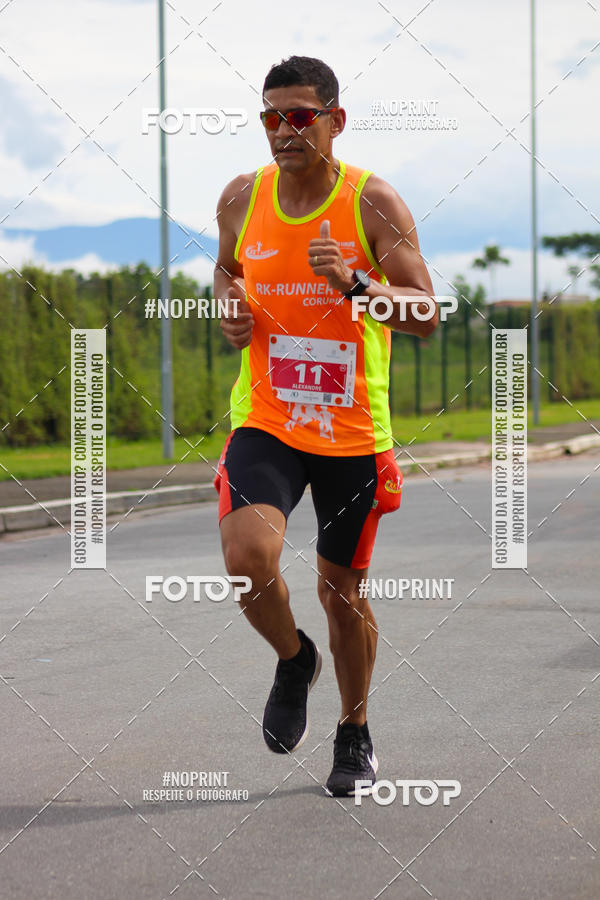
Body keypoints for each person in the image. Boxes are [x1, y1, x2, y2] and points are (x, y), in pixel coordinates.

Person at [213, 55, 437, 797]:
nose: (284, 129)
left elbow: (427, 316)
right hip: (269, 419)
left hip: (351, 433)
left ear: (334, 121)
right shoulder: (243, 197)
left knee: (342, 592)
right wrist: (227, 305)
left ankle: (355, 728)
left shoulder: (371, 202)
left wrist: (358, 285)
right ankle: (291, 658)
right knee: (248, 556)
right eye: (272, 115)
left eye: (301, 116)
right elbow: (226, 270)